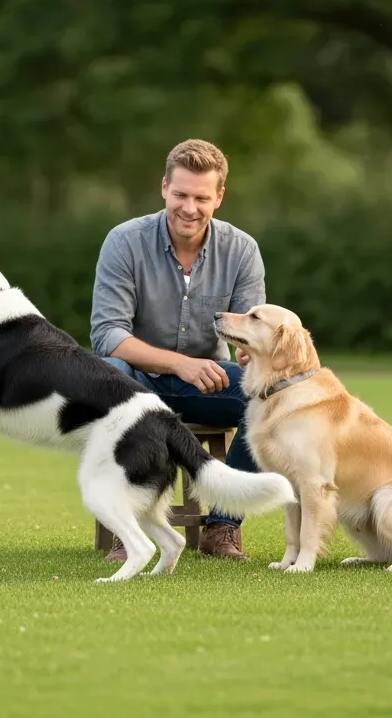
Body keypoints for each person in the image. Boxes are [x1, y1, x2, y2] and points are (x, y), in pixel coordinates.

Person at [90, 139, 267, 561]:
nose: (190, 207)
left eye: (202, 197)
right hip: (134, 383)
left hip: (205, 386)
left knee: (273, 393)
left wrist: (248, 354)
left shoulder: (242, 251)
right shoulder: (125, 241)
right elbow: (106, 334)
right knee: (110, 369)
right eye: (181, 194)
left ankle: (223, 526)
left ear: (219, 197)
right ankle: (127, 528)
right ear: (164, 188)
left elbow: (251, 336)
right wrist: (181, 364)